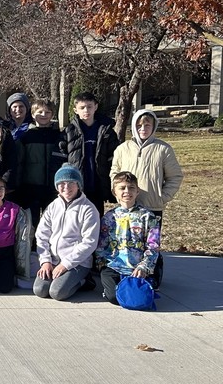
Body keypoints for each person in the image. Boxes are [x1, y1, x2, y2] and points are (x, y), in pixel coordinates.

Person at [33, 165, 100, 301]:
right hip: (53, 259)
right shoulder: (53, 206)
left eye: (71, 183)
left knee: (57, 292)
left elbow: (90, 242)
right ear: (57, 186)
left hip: (77, 262)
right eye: (62, 183)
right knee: (40, 290)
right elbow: (41, 235)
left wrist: (65, 265)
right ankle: (63, 277)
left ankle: (84, 281)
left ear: (78, 185)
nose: (66, 187)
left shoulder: (88, 209)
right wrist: (45, 261)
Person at [96, 171, 162, 302]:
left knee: (138, 297)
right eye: (122, 188)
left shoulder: (148, 217)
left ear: (137, 191)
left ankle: (154, 276)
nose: (127, 191)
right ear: (114, 192)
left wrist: (144, 266)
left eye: (131, 188)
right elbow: (101, 246)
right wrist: (102, 263)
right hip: (113, 265)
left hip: (137, 266)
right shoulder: (109, 217)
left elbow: (153, 246)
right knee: (114, 297)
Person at [110, 109, 183, 219]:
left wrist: (162, 197)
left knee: (150, 237)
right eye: (139, 125)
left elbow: (175, 176)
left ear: (154, 126)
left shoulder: (163, 149)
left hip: (152, 207)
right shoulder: (123, 149)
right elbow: (115, 173)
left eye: (147, 125)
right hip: (127, 205)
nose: (143, 129)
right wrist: (118, 193)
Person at [59, 92, 119, 216]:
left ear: (95, 107)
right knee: (75, 220)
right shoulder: (68, 132)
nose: (86, 110)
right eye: (82, 107)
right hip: (76, 185)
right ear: (75, 110)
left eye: (89, 106)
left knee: (96, 220)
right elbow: (62, 159)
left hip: (98, 184)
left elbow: (114, 158)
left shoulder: (106, 130)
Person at [16, 99, 65, 231]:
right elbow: (20, 162)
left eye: (48, 112)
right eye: (40, 112)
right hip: (31, 186)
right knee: (32, 222)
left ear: (52, 114)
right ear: (32, 114)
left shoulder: (59, 136)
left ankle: (51, 247)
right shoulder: (26, 137)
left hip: (52, 186)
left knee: (52, 221)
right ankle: (31, 247)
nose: (44, 115)